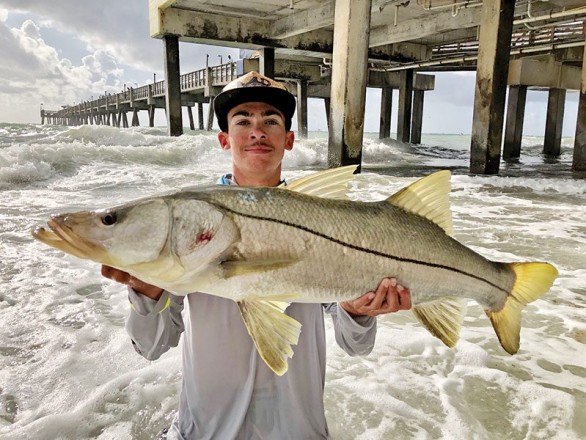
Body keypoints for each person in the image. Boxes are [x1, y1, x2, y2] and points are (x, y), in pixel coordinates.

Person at [101, 71, 412, 440]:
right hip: (204, 432)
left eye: (271, 121)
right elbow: (151, 347)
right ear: (223, 139)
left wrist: (358, 312)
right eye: (243, 120)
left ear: (289, 139)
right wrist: (146, 294)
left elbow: (355, 344)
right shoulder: (192, 222)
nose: (257, 131)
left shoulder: (326, 219)